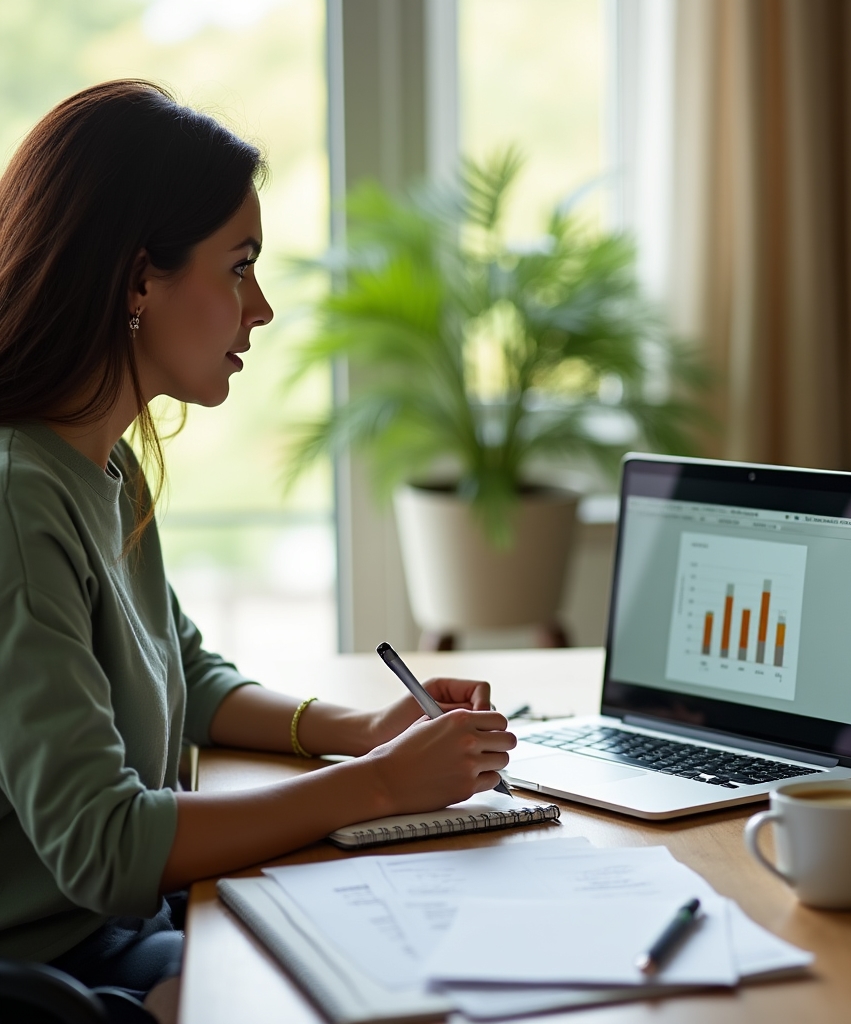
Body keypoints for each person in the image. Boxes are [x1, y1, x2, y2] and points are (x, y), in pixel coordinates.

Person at [0, 80, 515, 1023]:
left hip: (106, 934)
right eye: (238, 267)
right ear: (137, 279)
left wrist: (363, 732)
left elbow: (184, 674)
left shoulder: (104, 466)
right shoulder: (16, 500)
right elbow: (104, 846)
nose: (262, 306)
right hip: (54, 974)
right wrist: (383, 786)